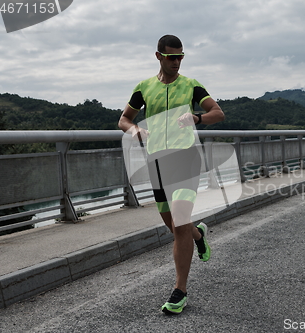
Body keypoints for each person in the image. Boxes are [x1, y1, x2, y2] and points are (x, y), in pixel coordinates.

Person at [118, 34, 225, 315]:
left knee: (179, 225)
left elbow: (218, 113)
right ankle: (198, 236)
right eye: (171, 57)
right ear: (158, 57)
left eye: (180, 57)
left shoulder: (191, 86)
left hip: (186, 158)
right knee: (175, 226)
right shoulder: (144, 87)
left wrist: (197, 118)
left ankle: (180, 290)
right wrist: (136, 130)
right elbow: (123, 119)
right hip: (157, 162)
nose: (177, 62)